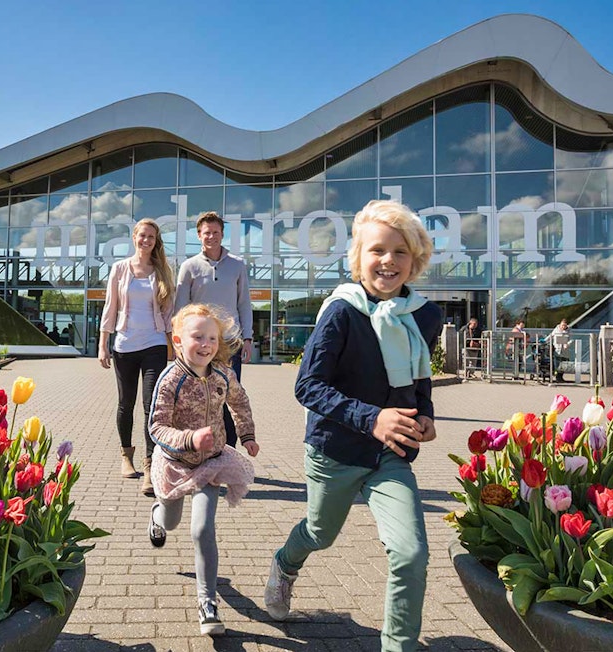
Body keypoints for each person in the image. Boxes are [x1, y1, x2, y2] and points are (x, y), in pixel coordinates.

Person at [264, 200, 442, 652]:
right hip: (336, 450)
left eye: (400, 252)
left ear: (415, 259)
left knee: (411, 553)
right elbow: (308, 386)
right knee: (320, 534)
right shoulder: (342, 312)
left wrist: (425, 413)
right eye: (377, 250)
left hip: (390, 455)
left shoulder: (423, 314)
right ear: (359, 257)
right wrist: (371, 417)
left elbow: (420, 374)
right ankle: (285, 564)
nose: (388, 261)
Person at [146, 303, 260, 636]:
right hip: (175, 464)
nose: (206, 344)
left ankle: (207, 602)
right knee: (171, 521)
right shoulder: (171, 379)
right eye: (198, 337)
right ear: (178, 340)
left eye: (212, 337)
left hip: (210, 464)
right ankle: (157, 516)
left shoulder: (224, 373)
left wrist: (247, 434)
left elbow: (239, 401)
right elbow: (156, 427)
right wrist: (189, 438)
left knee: (201, 529)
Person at [99, 219, 175, 496]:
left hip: (153, 344)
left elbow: (168, 313)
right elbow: (110, 306)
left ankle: (151, 467)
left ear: (156, 241)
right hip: (124, 345)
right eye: (142, 236)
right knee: (125, 403)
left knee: (151, 405)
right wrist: (102, 344)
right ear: (134, 237)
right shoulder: (120, 268)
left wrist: (171, 345)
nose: (146, 241)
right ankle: (125, 455)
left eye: (151, 237)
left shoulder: (162, 271)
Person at [175, 211, 253, 447]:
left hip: (229, 343)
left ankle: (228, 452)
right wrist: (178, 344)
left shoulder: (237, 265)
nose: (212, 236)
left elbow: (244, 303)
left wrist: (248, 338)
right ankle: (199, 449)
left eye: (216, 232)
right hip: (198, 344)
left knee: (228, 396)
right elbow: (180, 309)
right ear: (199, 235)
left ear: (222, 234)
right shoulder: (189, 267)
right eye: (207, 232)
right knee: (198, 397)